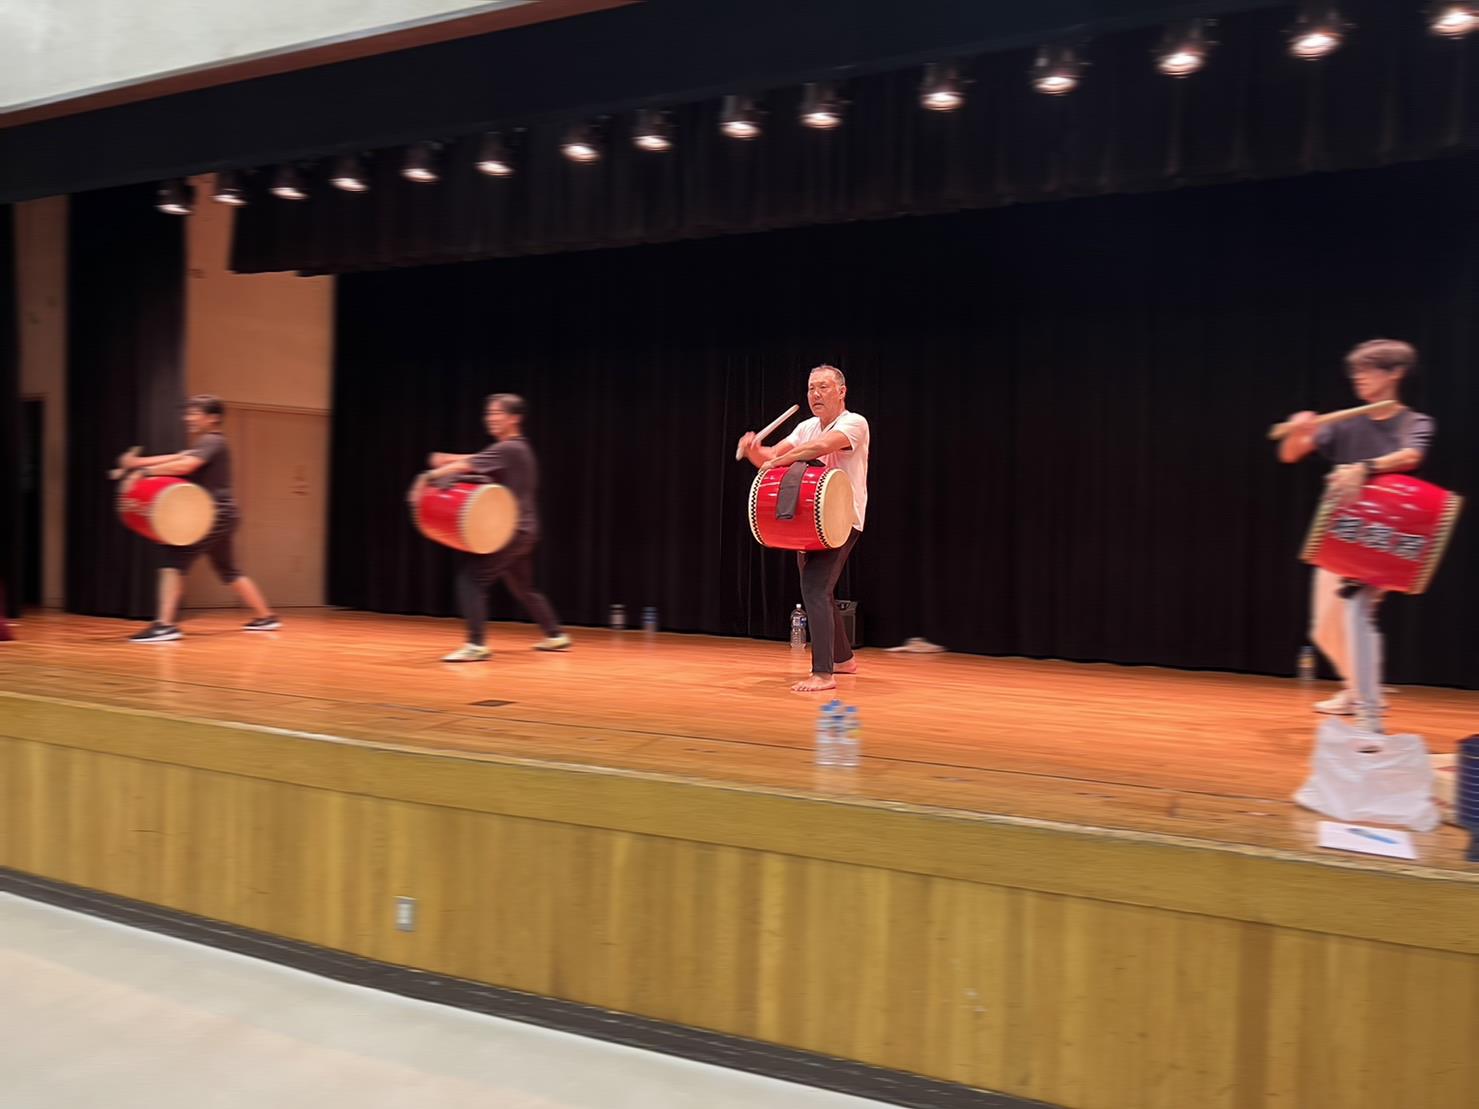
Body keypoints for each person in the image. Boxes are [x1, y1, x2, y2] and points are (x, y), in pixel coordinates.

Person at [1278, 339, 1434, 728]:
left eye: (1368, 370)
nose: (1358, 378)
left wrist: (1363, 468)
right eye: (1355, 371)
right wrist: (1300, 430)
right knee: (1324, 626)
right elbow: (1291, 453)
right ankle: (1355, 689)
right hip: (1341, 530)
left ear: (1395, 374)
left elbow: (1411, 455)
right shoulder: (1347, 423)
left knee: (1356, 610)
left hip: (1381, 533)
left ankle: (1370, 706)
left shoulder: (1414, 422)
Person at [738, 364, 869, 693]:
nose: (815, 394)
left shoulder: (854, 423)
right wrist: (755, 451)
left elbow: (819, 448)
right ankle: (843, 659)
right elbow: (771, 457)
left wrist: (776, 459)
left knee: (814, 588)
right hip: (809, 519)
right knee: (818, 590)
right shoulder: (806, 426)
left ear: (841, 391)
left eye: (823, 387)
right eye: (811, 388)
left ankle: (823, 673)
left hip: (842, 519)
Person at [412, 393, 570, 662]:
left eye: (496, 413)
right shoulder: (515, 449)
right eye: (488, 413)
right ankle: (555, 635)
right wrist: (448, 460)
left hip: (513, 531)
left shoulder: (509, 449)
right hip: (525, 530)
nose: (490, 418)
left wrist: (428, 476)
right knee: (524, 588)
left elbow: (470, 463)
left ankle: (476, 645)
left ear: (514, 418)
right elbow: (476, 459)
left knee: (471, 580)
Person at [120, 395, 280, 642]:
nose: (188, 418)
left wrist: (144, 471)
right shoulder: (208, 443)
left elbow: (185, 465)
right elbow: (177, 458)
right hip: (223, 514)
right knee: (228, 570)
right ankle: (266, 617)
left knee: (174, 561)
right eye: (188, 413)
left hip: (212, 515)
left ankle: (165, 625)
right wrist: (137, 462)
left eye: (194, 413)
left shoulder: (212, 441)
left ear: (212, 418)